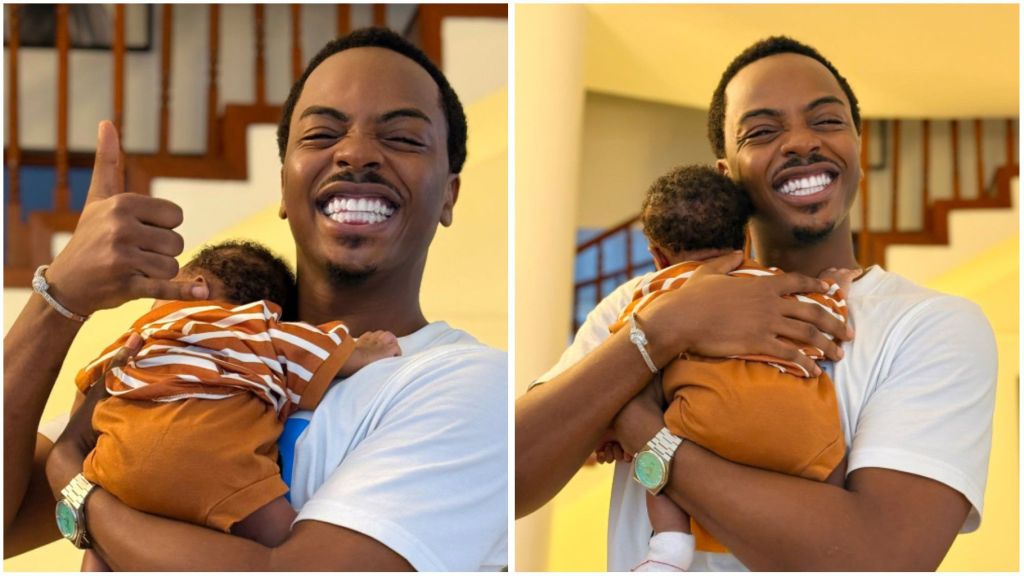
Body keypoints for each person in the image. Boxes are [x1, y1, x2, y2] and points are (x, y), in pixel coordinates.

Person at [5, 28, 506, 571]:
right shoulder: (198, 356)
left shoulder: (467, 383)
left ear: (449, 194)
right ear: (285, 187)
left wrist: (80, 496)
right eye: (321, 134)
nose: (356, 154)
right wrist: (57, 300)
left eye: (404, 138)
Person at [516, 36, 996, 571]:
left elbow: (878, 558)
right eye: (763, 131)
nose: (800, 142)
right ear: (728, 175)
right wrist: (668, 329)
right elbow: (508, 479)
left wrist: (638, 425)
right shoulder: (644, 304)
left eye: (828, 121)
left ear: (858, 148)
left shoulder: (930, 326)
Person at [74, 239, 401, 571]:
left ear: (196, 287)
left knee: (101, 545)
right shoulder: (258, 328)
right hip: (219, 468)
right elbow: (319, 350)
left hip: (120, 465)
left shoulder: (139, 336)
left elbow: (89, 389)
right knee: (293, 546)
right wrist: (365, 351)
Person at [603, 164, 853, 571]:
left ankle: (669, 547)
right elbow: (826, 317)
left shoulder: (654, 293)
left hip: (704, 426)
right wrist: (835, 288)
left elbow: (625, 357)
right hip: (802, 429)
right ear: (746, 237)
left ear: (657, 255)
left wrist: (614, 429)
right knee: (830, 460)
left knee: (656, 455)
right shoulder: (775, 284)